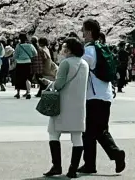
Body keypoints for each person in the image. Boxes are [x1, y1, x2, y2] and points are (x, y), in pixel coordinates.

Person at [78, 19, 126, 175]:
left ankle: (114, 154)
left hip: (93, 96)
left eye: (84, 30)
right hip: (105, 94)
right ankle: (91, 164)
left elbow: (79, 71)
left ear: (90, 32)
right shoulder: (103, 48)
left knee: (92, 131)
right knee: (98, 130)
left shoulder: (89, 51)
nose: (82, 33)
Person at [43, 37, 89, 178]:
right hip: (79, 105)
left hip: (62, 103)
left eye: (64, 47)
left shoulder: (65, 63)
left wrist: (49, 84)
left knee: (54, 133)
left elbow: (59, 84)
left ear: (69, 49)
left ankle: (57, 166)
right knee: (77, 136)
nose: (62, 50)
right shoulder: (84, 64)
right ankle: (72, 169)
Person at [14, 33, 37, 99]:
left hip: (19, 63)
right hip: (28, 63)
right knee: (27, 78)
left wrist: (18, 58)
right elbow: (35, 53)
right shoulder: (30, 45)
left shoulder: (18, 46)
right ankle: (28, 92)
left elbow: (15, 55)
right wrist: (30, 56)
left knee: (18, 78)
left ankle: (18, 93)